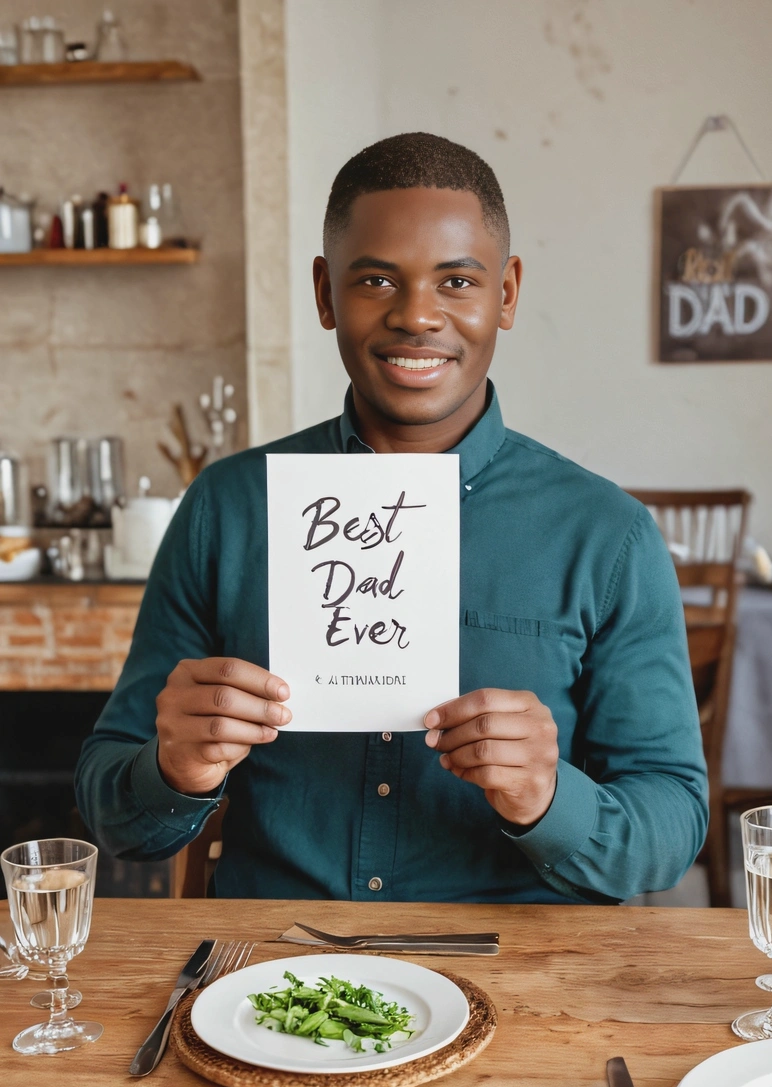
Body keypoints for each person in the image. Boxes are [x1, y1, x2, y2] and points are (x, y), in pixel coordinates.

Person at [76, 132, 707, 904]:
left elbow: (672, 822)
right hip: (271, 975)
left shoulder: (608, 536)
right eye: (377, 279)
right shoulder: (229, 507)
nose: (417, 316)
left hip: (524, 977)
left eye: (457, 282)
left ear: (505, 295)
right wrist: (174, 768)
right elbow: (113, 809)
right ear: (324, 294)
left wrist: (548, 798)